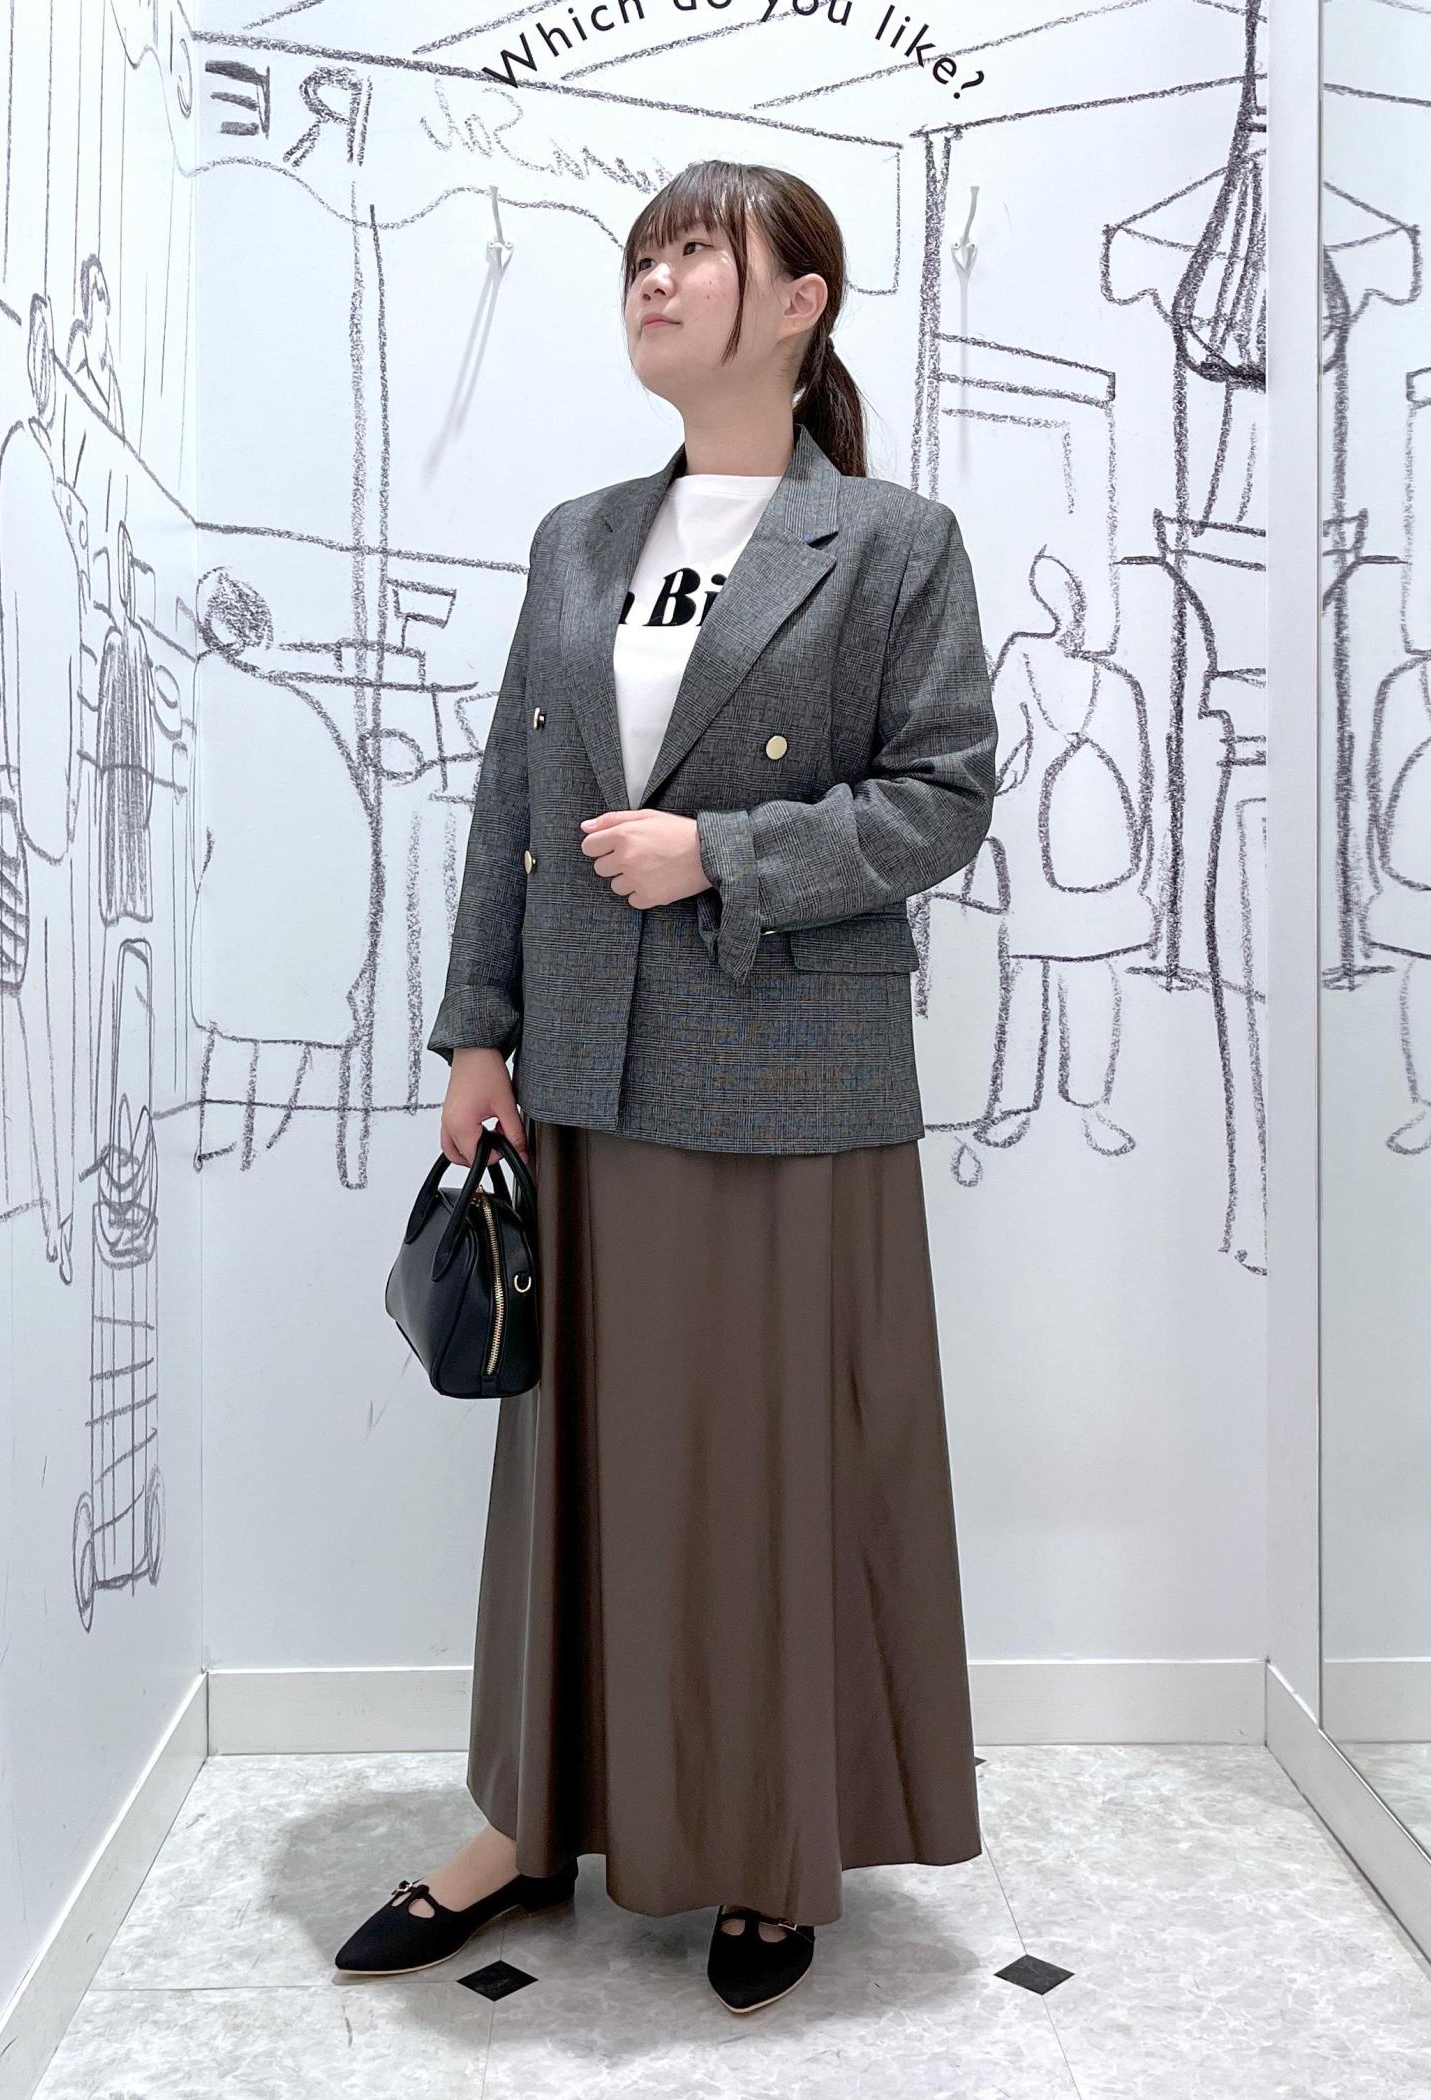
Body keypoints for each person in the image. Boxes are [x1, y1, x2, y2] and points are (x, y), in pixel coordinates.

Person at [336, 160, 998, 2014]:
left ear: (799, 303)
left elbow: (944, 797)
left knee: (768, 1472)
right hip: (586, 1068)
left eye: (698, 250)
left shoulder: (892, 542)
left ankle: (768, 1840)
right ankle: (528, 1823)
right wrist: (477, 1033)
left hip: (786, 1077)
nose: (657, 277)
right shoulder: (578, 537)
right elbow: (512, 798)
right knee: (576, 1473)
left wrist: (724, 853)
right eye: (644, 253)